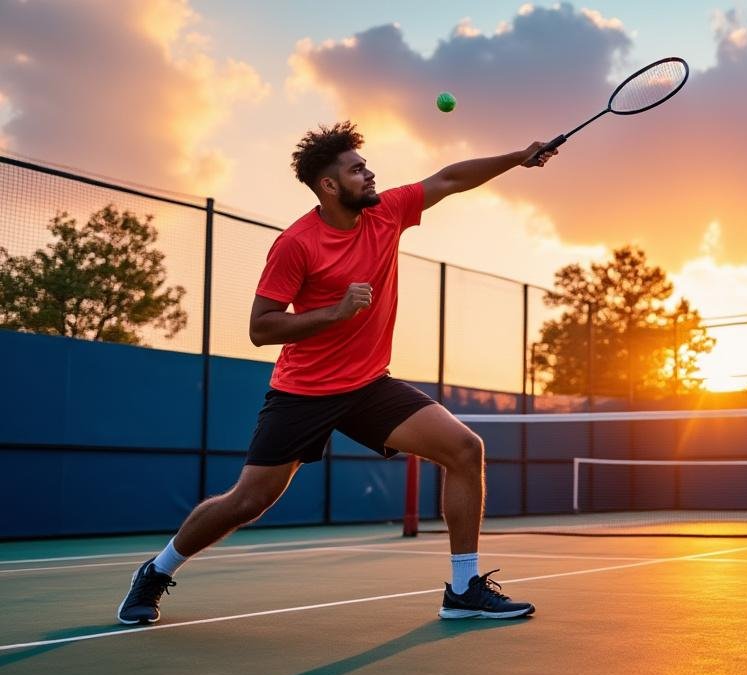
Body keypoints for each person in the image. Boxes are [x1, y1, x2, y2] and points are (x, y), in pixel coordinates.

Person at [118, 122, 555, 624]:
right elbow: (261, 328)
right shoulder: (297, 244)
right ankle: (156, 570)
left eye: (366, 167)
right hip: (303, 392)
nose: (370, 175)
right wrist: (335, 312)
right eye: (357, 170)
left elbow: (450, 178)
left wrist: (519, 156)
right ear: (329, 186)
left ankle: (463, 589)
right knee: (249, 500)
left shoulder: (387, 212)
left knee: (464, 448)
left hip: (369, 385)